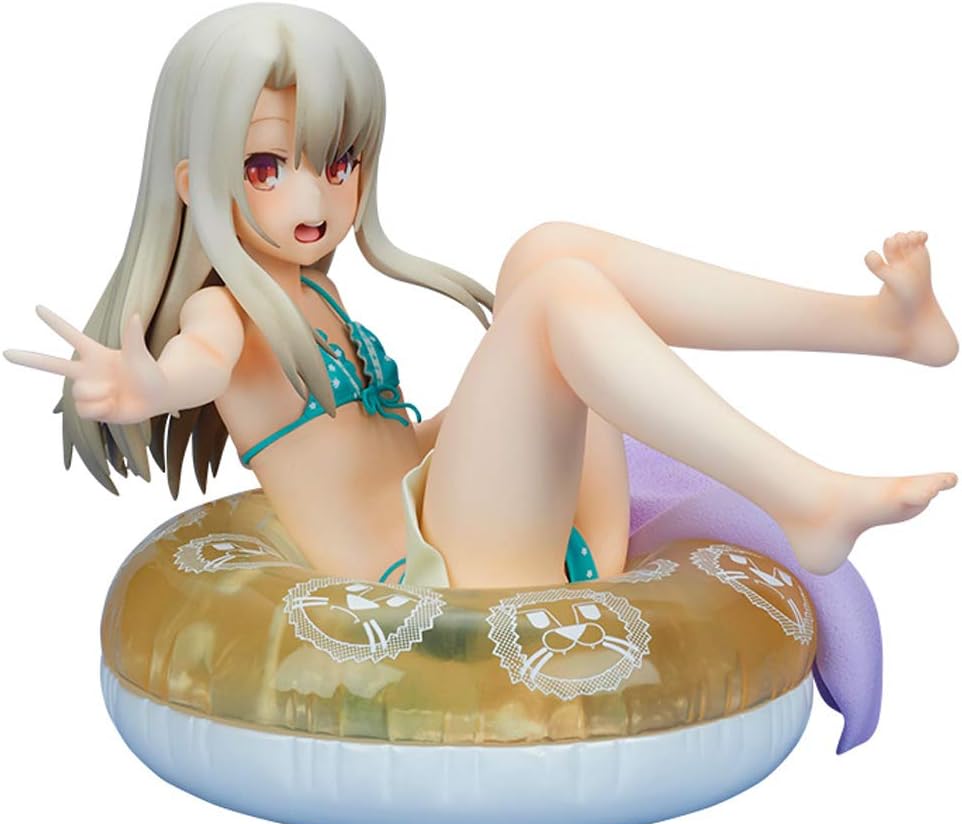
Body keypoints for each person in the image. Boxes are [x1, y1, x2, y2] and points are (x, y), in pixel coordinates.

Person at [4, 3, 957, 590]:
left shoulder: (321, 297)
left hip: (490, 529)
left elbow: (386, 461)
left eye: (338, 162)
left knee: (546, 253)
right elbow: (199, 366)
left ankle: (878, 324)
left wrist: (480, 410)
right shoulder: (226, 311)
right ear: (193, 183)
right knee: (553, 299)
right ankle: (806, 497)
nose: (313, 199)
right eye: (266, 166)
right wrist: (148, 388)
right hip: (436, 583)